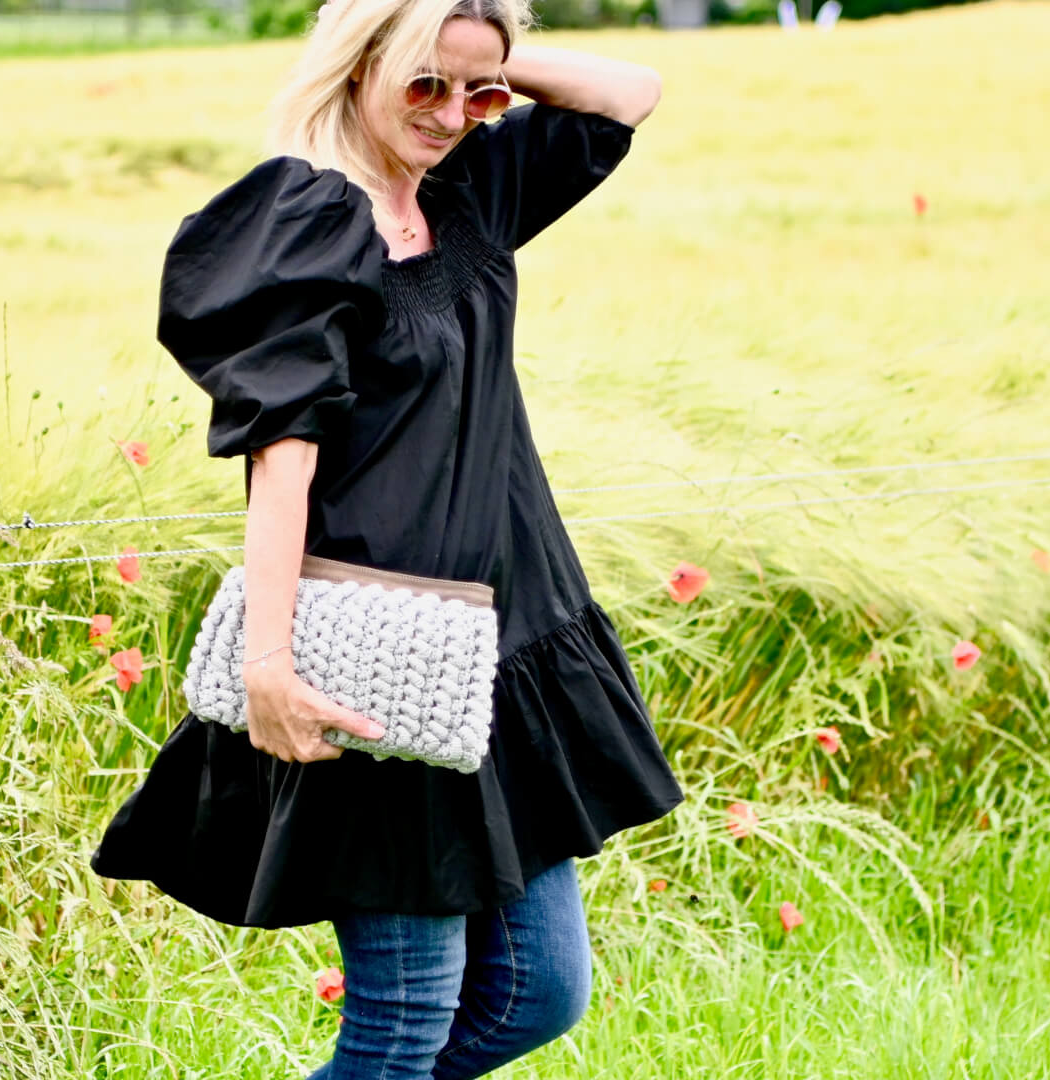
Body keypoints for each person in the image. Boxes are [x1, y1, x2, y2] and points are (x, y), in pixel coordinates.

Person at [90, 0, 685, 1075]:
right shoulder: (309, 221)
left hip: (507, 642)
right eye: (423, 85)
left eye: (477, 96)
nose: (452, 116)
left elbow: (629, 93)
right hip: (375, 655)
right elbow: (282, 455)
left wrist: (481, 54)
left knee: (538, 997)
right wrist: (268, 662)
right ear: (361, 63)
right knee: (404, 1021)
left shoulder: (471, 195)